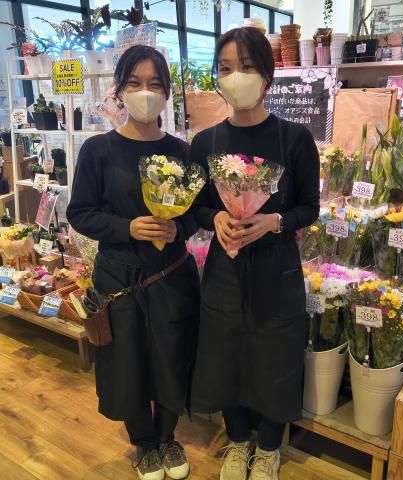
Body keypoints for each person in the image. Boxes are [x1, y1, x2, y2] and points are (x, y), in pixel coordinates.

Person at [190, 27, 320, 480]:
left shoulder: (294, 139)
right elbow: (195, 206)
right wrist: (215, 218)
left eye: (246, 66)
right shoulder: (206, 143)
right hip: (224, 267)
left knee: (275, 356)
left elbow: (310, 207)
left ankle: (268, 447)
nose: (236, 77)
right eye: (225, 68)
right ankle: (238, 440)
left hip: (276, 266)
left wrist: (274, 221)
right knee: (225, 352)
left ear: (266, 75)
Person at [67, 45, 199, 480]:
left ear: (167, 93)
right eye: (135, 83)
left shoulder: (183, 152)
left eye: (155, 84)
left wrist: (178, 228)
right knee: (127, 362)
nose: (146, 92)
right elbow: (80, 212)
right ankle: (144, 442)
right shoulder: (98, 150)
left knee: (172, 355)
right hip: (119, 278)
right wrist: (127, 227)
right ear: (119, 90)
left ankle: (168, 436)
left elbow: (197, 213)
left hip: (172, 275)